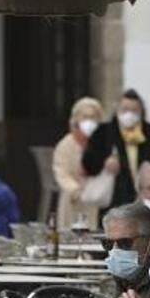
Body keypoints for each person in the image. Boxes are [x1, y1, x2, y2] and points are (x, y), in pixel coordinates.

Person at [81, 90, 150, 212]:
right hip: (114, 200)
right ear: (117, 109)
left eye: (134, 110)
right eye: (125, 109)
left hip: (147, 200)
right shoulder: (103, 132)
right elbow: (87, 163)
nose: (129, 114)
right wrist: (104, 162)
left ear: (141, 111)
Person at [54, 97, 105, 229]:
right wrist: (75, 190)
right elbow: (61, 173)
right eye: (85, 117)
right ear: (76, 119)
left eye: (93, 117)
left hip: (95, 200)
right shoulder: (66, 144)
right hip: (72, 200)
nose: (89, 121)